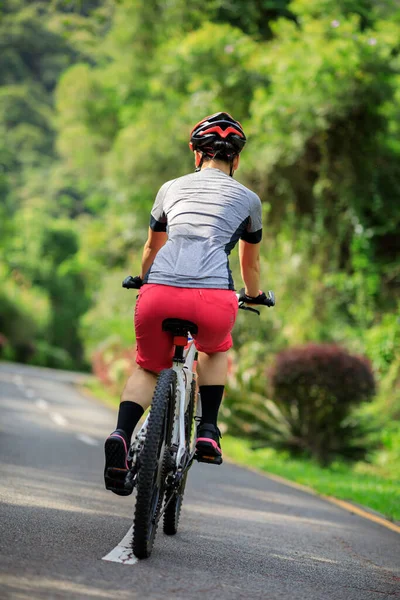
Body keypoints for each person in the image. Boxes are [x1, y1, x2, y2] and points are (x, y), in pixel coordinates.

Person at [104, 112, 265, 494]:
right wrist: (255, 295)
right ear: (236, 160)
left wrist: (143, 279)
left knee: (147, 368)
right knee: (214, 350)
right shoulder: (249, 200)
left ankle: (122, 434)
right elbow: (250, 264)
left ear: (196, 154)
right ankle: (208, 429)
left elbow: (151, 247)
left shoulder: (170, 187)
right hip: (212, 298)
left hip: (159, 293)